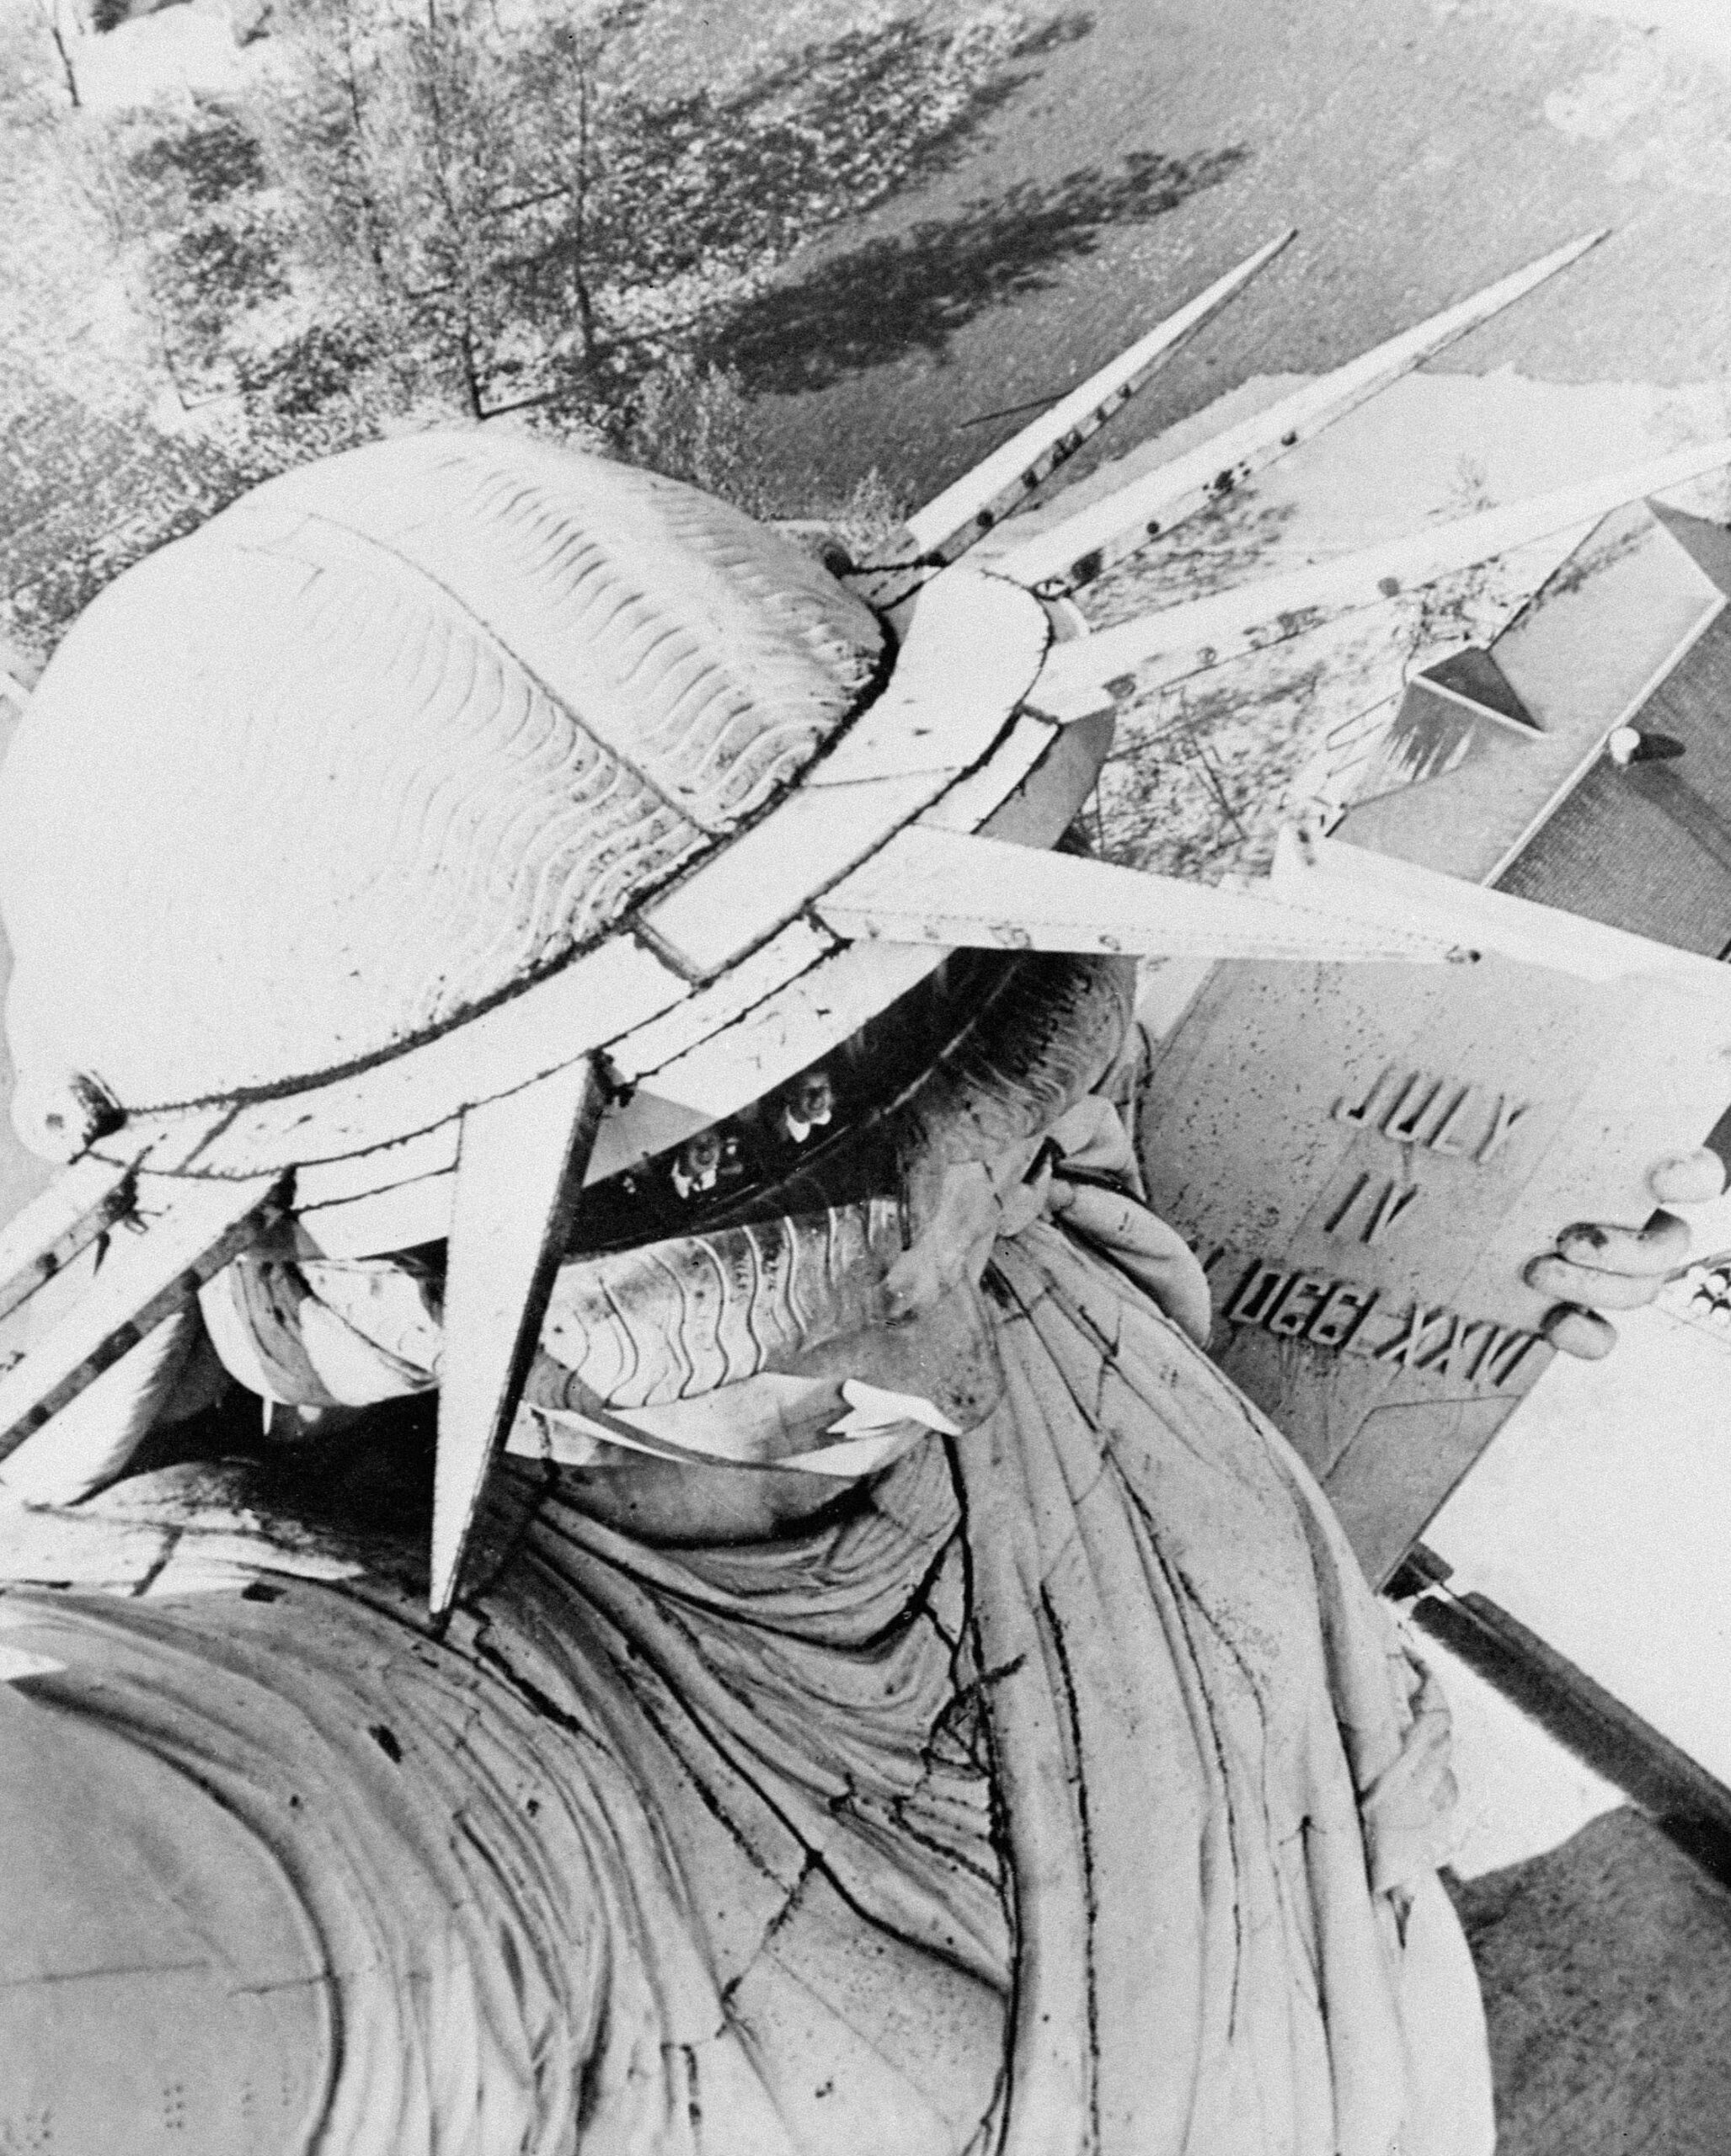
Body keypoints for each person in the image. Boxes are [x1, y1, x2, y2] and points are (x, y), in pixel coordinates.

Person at [0, 431, 1715, 2155]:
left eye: (991, 1189)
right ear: (410, 1305)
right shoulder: (418, 1781)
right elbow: (126, 1939)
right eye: (799, 1315)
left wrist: (1507, 1225)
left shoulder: (999, 1170)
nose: (956, 1363)